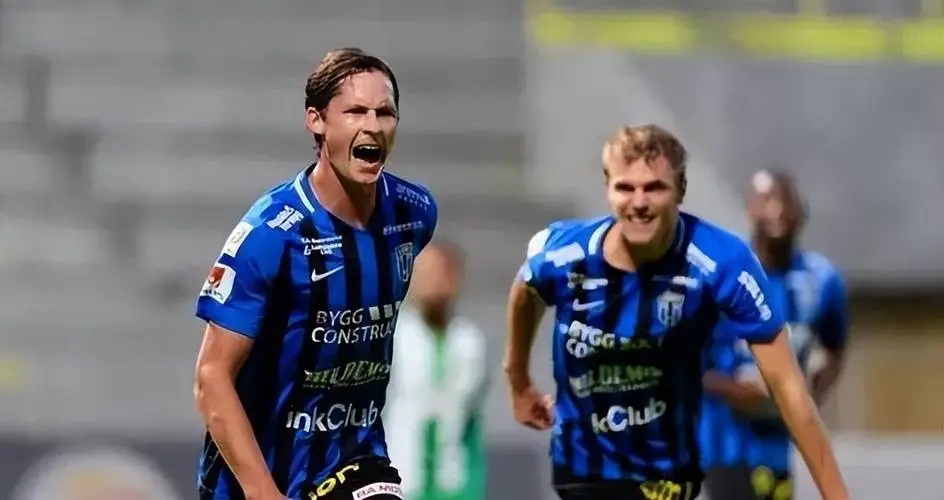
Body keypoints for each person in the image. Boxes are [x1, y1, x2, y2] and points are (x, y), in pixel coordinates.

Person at [502, 124, 849, 500]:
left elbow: (789, 387)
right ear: (607, 188)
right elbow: (526, 289)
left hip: (668, 466)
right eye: (625, 188)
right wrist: (518, 379)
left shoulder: (722, 262)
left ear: (681, 190)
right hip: (585, 462)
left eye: (654, 187)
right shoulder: (563, 253)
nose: (639, 202)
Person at [192, 47, 438, 500]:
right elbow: (212, 376)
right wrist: (263, 492)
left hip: (356, 462)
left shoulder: (413, 214)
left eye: (385, 113)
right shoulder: (270, 233)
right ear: (316, 121)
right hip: (261, 477)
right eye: (355, 111)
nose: (372, 125)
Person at [701, 169, 850, 500]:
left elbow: (835, 347)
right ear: (750, 208)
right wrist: (733, 390)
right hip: (723, 444)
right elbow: (683, 359)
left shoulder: (820, 280)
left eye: (786, 200)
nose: (778, 210)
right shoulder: (722, 274)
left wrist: (808, 393)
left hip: (775, 447)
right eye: (767, 199)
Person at [385, 241, 488, 500]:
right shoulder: (391, 337)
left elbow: (472, 422)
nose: (436, 283)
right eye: (427, 273)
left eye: (444, 273)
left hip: (453, 484)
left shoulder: (469, 342)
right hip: (399, 482)